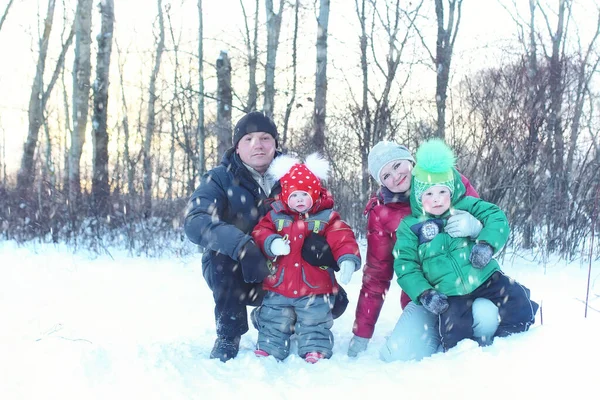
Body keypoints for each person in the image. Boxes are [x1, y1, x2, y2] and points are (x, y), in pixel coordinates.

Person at [184, 111, 348, 363]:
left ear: (275, 144)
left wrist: (325, 248)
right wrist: (241, 245)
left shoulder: (294, 174)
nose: (257, 145)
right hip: (242, 272)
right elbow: (196, 220)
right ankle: (229, 334)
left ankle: (285, 319)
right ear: (237, 147)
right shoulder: (219, 177)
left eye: (264, 138)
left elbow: (324, 212)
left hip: (288, 269)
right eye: (248, 139)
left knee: (336, 304)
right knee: (221, 257)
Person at [348, 140, 500, 361]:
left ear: (410, 160)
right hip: (427, 298)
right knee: (396, 355)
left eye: (397, 165)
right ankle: (438, 331)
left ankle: (461, 332)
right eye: (386, 176)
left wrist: (477, 229)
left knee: (485, 321)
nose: (396, 176)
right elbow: (377, 275)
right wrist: (362, 333)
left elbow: (491, 220)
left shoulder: (446, 179)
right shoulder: (381, 213)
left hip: (470, 287)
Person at [393, 139, 538, 351]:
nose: (437, 200)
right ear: (418, 197)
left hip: (483, 275)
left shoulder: (466, 205)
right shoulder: (410, 226)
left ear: (451, 191)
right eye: (429, 194)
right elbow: (405, 265)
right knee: (454, 330)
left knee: (516, 298)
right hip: (448, 291)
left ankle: (510, 340)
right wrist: (425, 293)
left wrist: (486, 244)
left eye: (442, 191)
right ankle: (459, 359)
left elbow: (496, 217)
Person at [251, 154, 361, 363]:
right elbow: (259, 232)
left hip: (314, 286)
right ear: (285, 196)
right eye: (293, 195)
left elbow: (343, 237)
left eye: (304, 194)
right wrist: (271, 242)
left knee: (315, 319)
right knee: (275, 317)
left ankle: (315, 347)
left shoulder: (327, 218)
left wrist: (347, 258)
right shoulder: (274, 216)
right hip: (279, 283)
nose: (299, 200)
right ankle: (270, 345)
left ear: (314, 194)